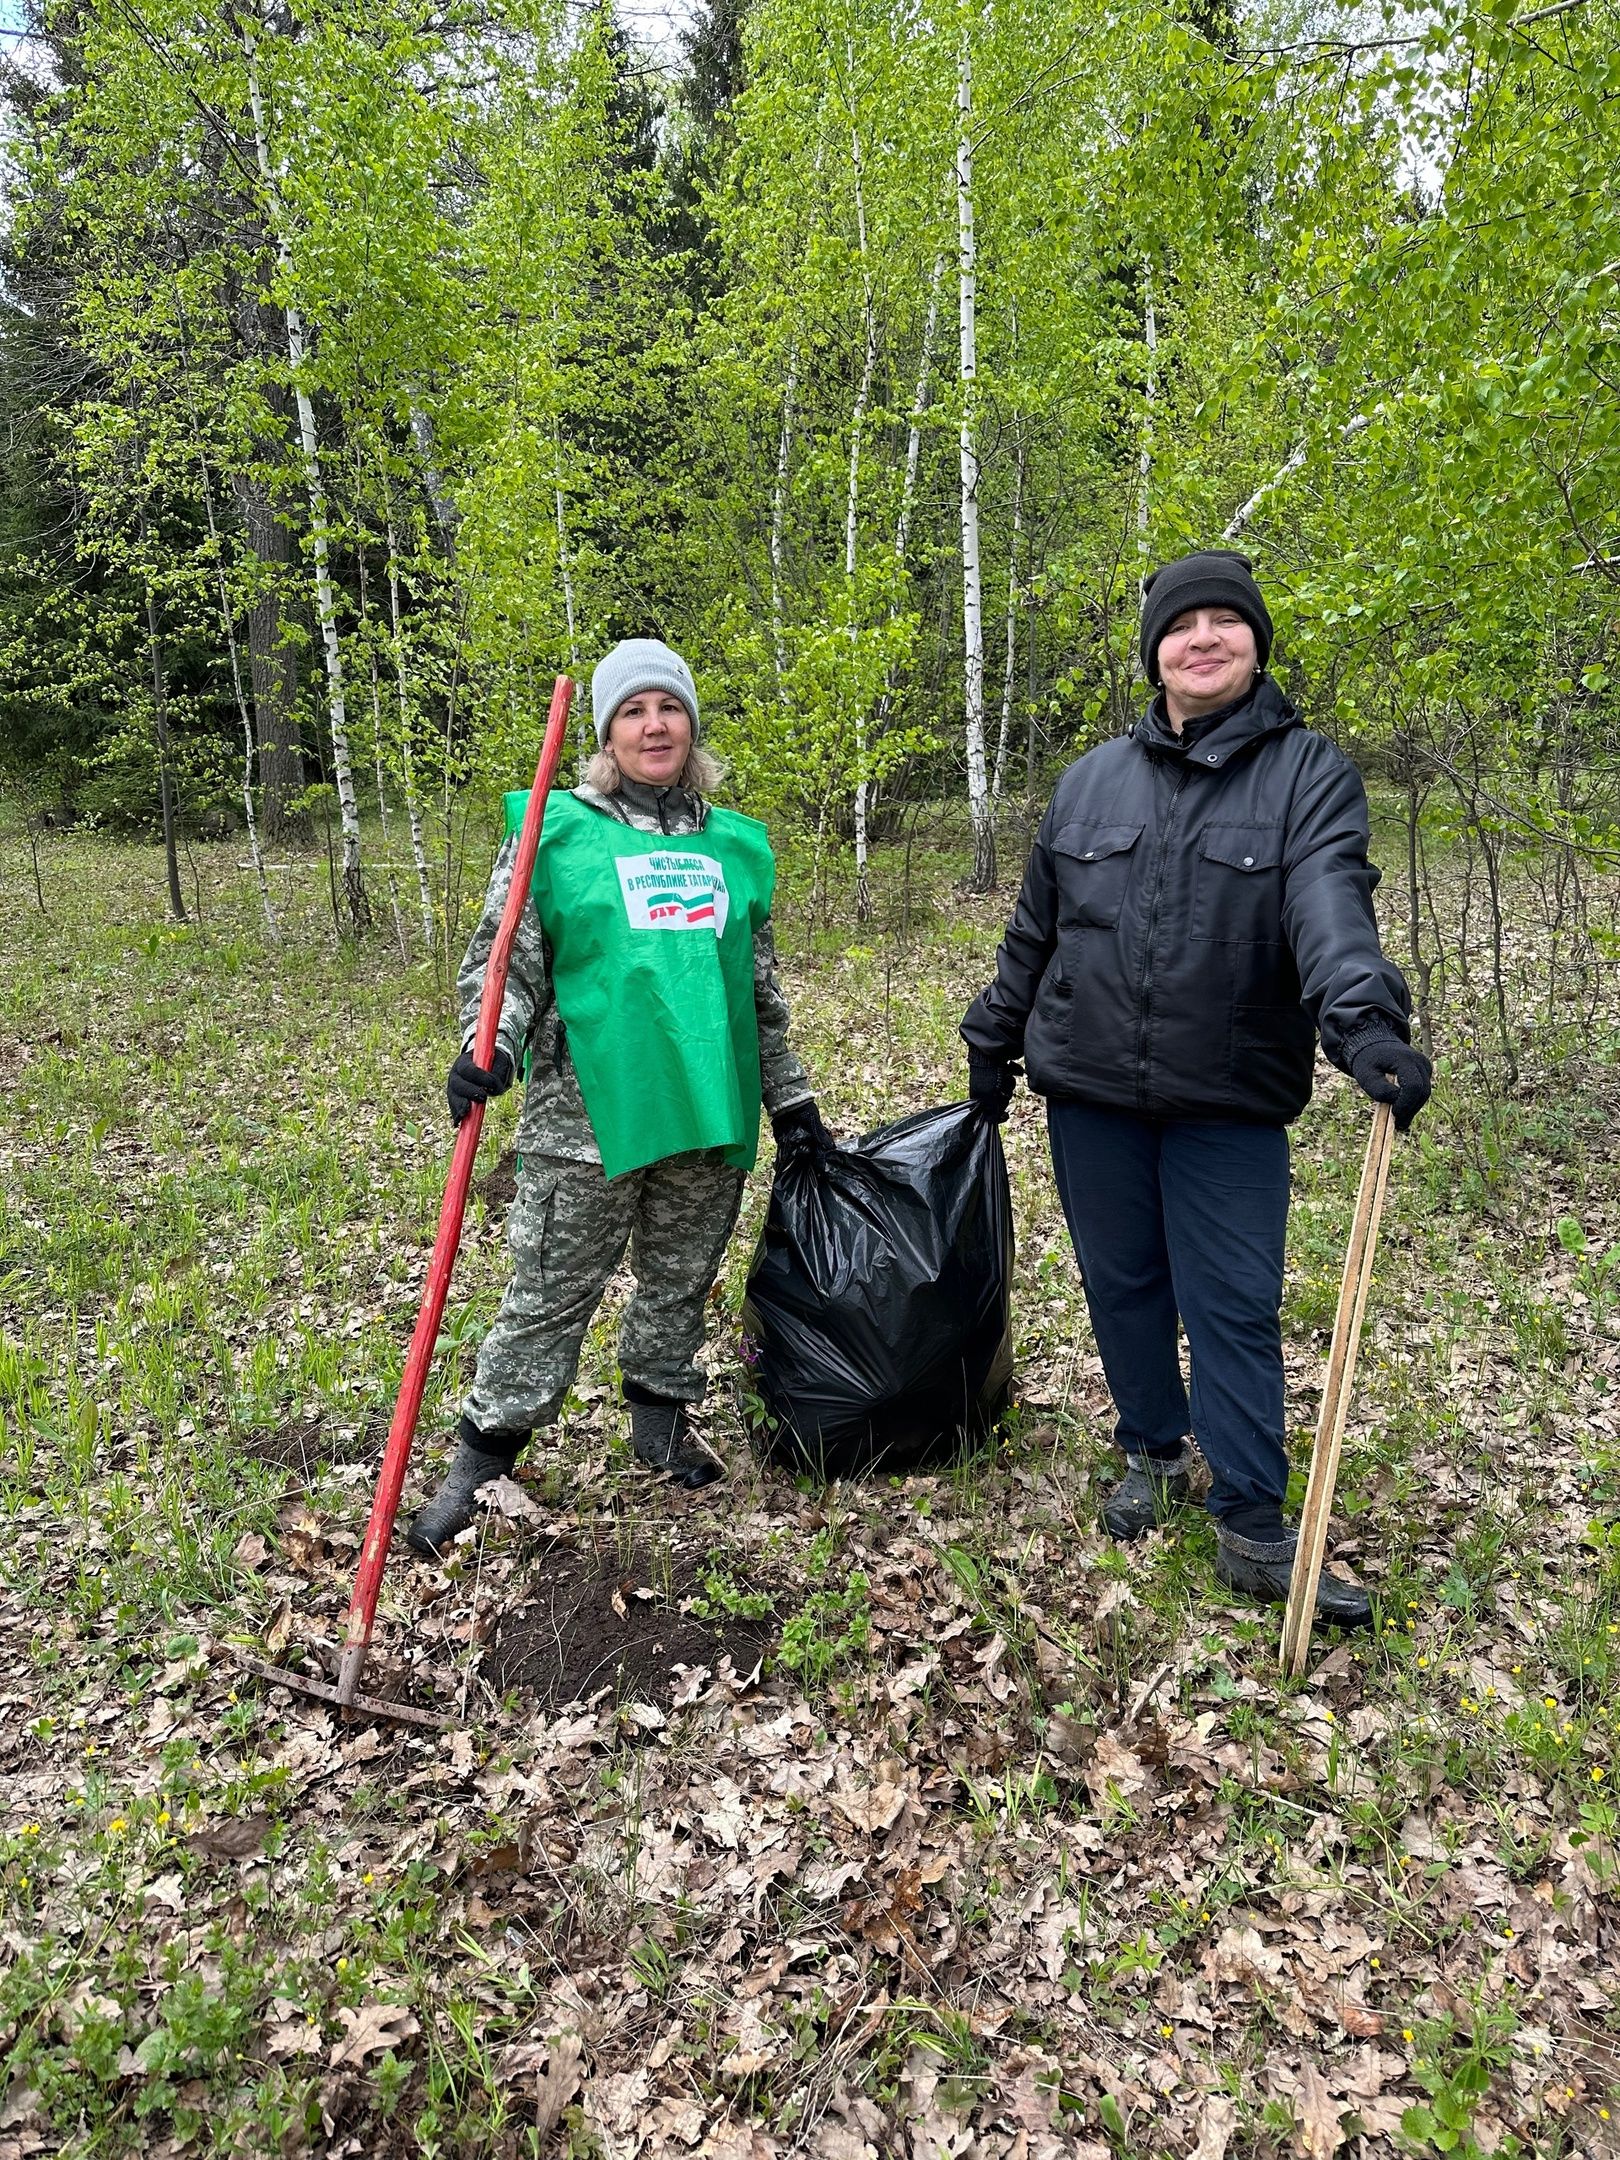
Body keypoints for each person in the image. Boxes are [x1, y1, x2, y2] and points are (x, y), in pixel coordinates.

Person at [961, 551, 1430, 1627]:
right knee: (1120, 1283)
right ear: (1155, 651)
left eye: (1228, 622)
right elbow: (1039, 928)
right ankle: (1153, 1452)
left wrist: (1362, 1023)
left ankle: (1254, 1524)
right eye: (1184, 625)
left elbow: (1328, 907)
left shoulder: (1308, 775)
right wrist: (993, 1035)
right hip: (1089, 1092)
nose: (1204, 639)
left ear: (1256, 644)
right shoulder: (1089, 781)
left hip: (1227, 1098)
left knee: (1232, 1304)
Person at [408, 637, 828, 1556]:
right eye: (632, 711)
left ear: (691, 724)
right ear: (605, 732)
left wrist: (793, 1104)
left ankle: (660, 1420)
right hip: (585, 1117)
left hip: (707, 1109)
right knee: (550, 1291)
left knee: (680, 1281)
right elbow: (505, 961)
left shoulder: (733, 846)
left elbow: (757, 994)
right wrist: (490, 1046)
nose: (654, 725)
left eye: (668, 707)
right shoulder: (554, 834)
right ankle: (483, 1458)